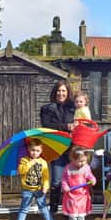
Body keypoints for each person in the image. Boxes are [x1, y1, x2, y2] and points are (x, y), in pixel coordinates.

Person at [40, 80, 76, 213]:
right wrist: (66, 127)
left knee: (73, 180)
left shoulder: (73, 108)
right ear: (55, 93)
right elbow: (47, 125)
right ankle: (53, 209)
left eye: (64, 91)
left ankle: (71, 209)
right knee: (56, 180)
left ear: (68, 93)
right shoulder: (47, 108)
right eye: (59, 91)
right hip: (56, 148)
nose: (61, 94)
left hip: (73, 148)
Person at [12, 138, 59, 220]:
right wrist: (30, 163)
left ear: (41, 151)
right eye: (33, 150)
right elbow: (21, 171)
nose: (35, 153)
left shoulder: (43, 162)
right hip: (27, 189)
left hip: (39, 189)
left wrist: (46, 187)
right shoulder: (24, 160)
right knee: (24, 207)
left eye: (37, 151)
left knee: (44, 207)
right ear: (29, 149)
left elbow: (46, 176)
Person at [61, 146, 96, 220]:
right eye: (80, 161)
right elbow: (64, 179)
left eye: (84, 161)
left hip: (82, 194)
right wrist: (65, 186)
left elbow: (90, 176)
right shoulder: (68, 168)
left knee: (81, 213)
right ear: (72, 159)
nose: (83, 163)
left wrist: (93, 180)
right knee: (73, 213)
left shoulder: (86, 168)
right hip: (71, 195)